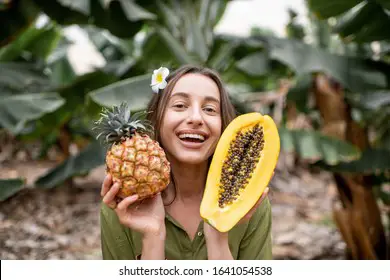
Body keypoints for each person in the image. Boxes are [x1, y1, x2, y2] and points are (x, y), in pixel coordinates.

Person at [99, 64, 273, 260]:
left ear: (224, 125)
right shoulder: (123, 203)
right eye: (180, 105)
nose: (196, 118)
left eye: (209, 109)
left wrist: (217, 237)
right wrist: (152, 237)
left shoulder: (248, 200)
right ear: (157, 117)